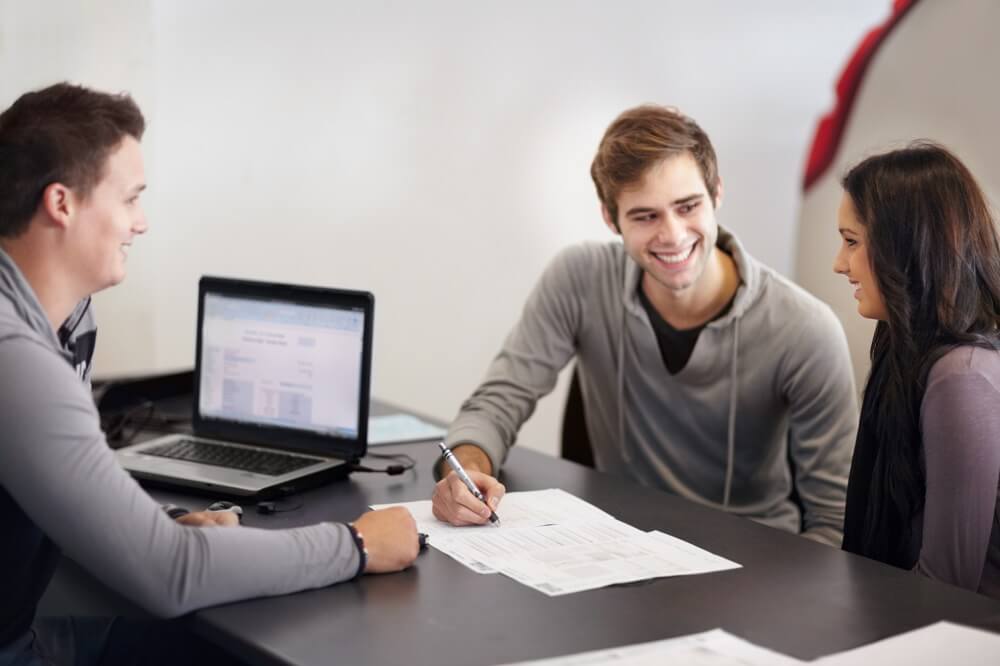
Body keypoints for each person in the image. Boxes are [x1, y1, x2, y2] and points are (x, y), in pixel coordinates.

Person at [0, 82, 419, 664]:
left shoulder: (63, 319)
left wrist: (159, 523)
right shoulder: (15, 355)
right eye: (130, 199)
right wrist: (354, 544)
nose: (140, 223)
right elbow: (169, 573)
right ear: (62, 203)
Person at [432, 105, 858, 545]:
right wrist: (464, 472)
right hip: (618, 556)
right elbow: (497, 403)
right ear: (610, 218)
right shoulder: (579, 278)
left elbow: (834, 521)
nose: (672, 235)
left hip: (753, 568)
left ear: (716, 193)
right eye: (645, 216)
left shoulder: (804, 329)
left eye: (687, 206)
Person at [835, 141, 1000, 598]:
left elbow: (944, 590)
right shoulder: (898, 345)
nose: (839, 264)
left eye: (852, 242)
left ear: (905, 247)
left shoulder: (962, 377)